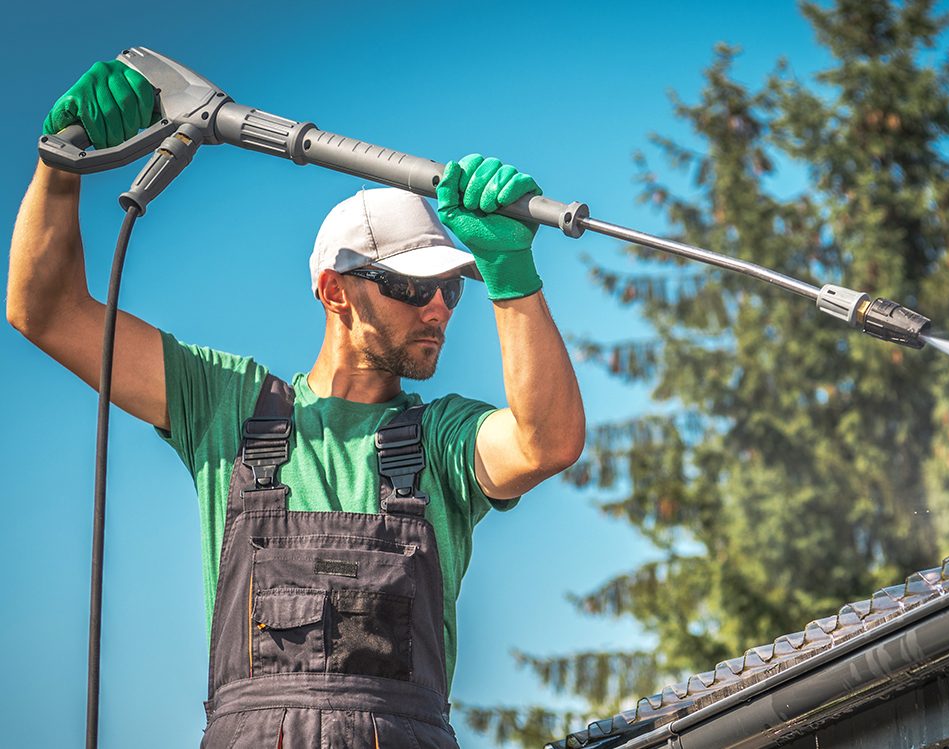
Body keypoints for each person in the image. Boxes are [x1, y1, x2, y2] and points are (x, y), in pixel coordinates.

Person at [7, 61, 586, 746]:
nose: (438, 308)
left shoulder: (443, 440)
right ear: (335, 289)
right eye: (410, 287)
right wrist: (61, 165)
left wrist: (509, 273)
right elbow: (46, 311)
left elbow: (545, 442)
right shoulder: (226, 404)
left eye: (450, 290)